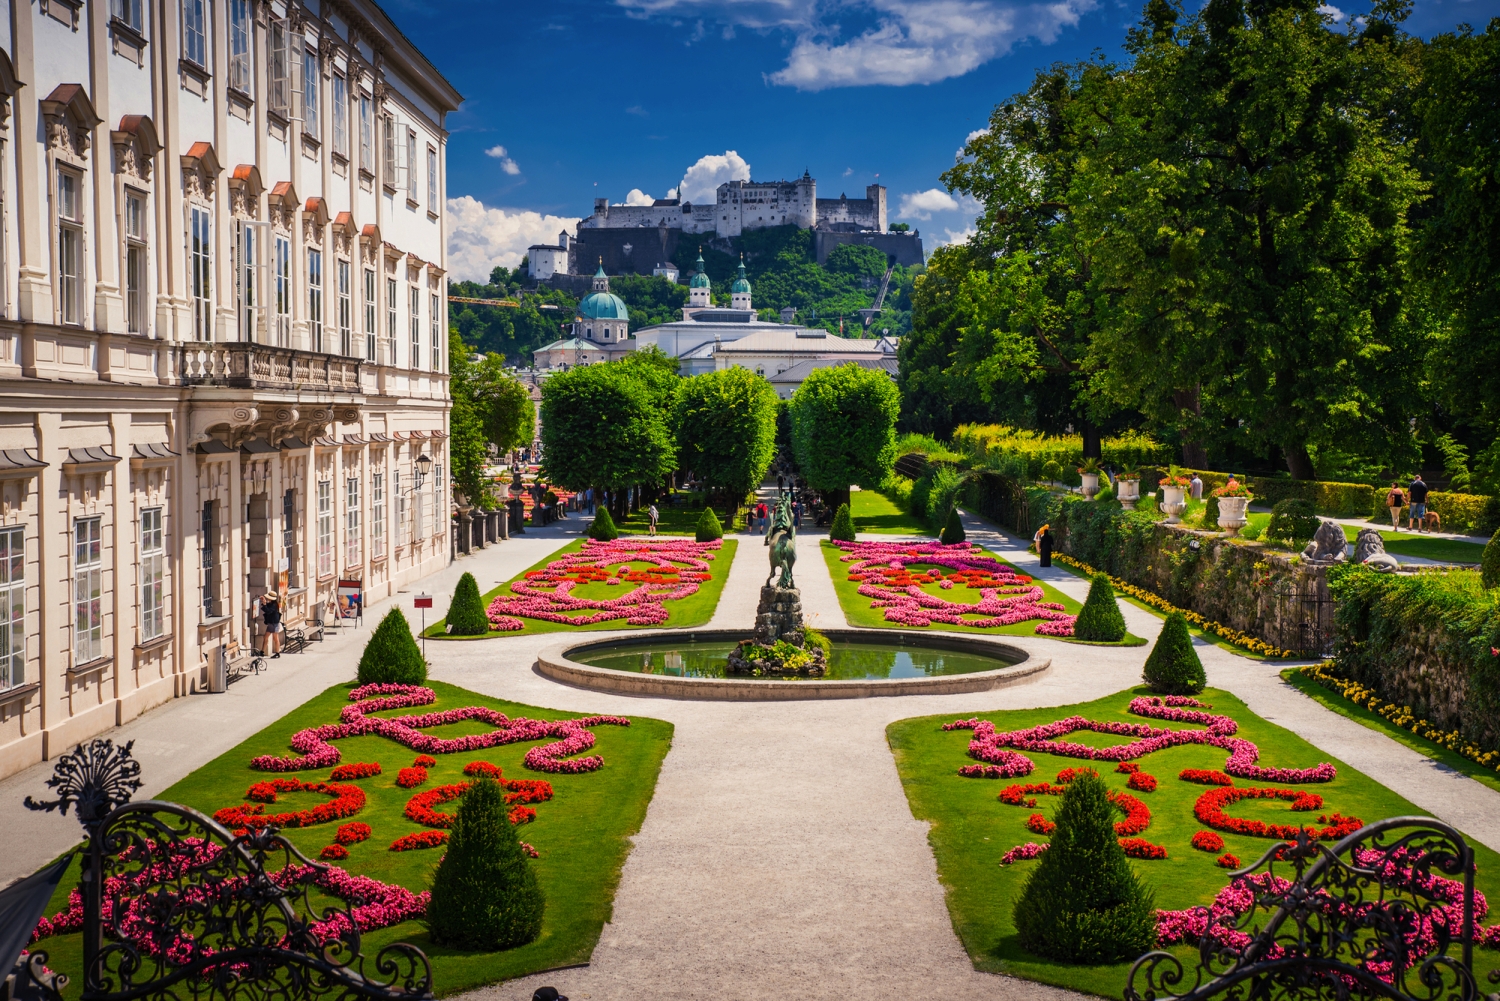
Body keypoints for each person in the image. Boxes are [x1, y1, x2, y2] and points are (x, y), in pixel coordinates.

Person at [261, 591, 283, 659]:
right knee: (265, 637)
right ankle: (262, 651)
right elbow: (266, 607)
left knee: (275, 638)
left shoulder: (274, 605)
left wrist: (264, 604)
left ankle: (277, 652)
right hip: (271, 623)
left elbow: (268, 610)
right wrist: (264, 602)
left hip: (275, 623)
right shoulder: (271, 603)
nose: (268, 599)